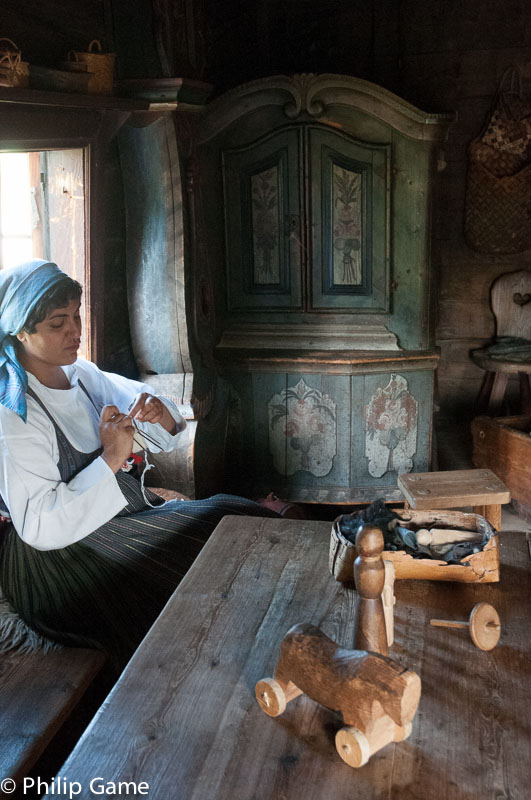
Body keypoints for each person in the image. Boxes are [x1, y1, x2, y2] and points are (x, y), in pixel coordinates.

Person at [0, 259, 276, 670]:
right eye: (58, 323)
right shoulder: (14, 413)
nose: (75, 332)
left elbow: (165, 418)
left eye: (76, 316)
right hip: (61, 565)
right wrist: (113, 456)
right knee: (185, 574)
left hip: (121, 521)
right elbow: (40, 525)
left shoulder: (80, 375)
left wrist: (156, 411)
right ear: (20, 331)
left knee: (235, 515)